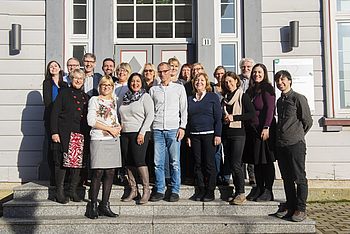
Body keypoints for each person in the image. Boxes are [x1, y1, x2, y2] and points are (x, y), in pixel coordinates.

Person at [273, 70, 313, 222]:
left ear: (289, 81)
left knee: (299, 177)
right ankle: (291, 206)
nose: (280, 83)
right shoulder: (280, 101)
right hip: (281, 145)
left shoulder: (298, 98)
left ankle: (301, 209)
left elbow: (307, 121)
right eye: (278, 80)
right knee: (286, 178)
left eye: (283, 80)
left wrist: (296, 134)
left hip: (295, 144)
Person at [149, 62, 187, 202]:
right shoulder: (153, 90)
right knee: (158, 162)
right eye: (160, 72)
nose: (162, 74)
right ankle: (160, 189)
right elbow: (151, 111)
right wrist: (151, 129)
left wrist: (182, 127)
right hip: (158, 129)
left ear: (170, 71)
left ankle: (175, 189)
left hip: (173, 129)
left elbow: (183, 109)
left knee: (174, 161)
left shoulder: (178, 88)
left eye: (165, 71)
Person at [50, 68, 89, 204]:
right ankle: (59, 191)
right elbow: (54, 113)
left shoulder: (86, 97)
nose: (78, 81)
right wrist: (54, 132)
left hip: (80, 134)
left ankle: (72, 190)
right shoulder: (63, 93)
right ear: (71, 79)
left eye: (81, 78)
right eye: (76, 78)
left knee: (77, 164)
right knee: (62, 162)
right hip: (64, 133)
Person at [85, 76, 122, 219]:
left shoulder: (113, 101)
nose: (106, 87)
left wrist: (117, 127)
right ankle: (93, 205)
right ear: (99, 86)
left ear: (112, 87)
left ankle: (105, 204)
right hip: (99, 138)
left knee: (110, 172)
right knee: (98, 172)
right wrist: (109, 129)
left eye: (109, 85)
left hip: (112, 139)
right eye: (103, 85)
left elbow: (114, 118)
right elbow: (91, 121)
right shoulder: (94, 100)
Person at [119, 73, 154, 204]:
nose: (135, 83)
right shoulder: (125, 97)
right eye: (132, 81)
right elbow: (120, 113)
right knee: (128, 162)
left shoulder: (145, 97)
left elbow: (150, 115)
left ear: (141, 82)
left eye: (138, 81)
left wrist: (142, 132)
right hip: (125, 133)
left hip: (139, 132)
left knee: (139, 161)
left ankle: (146, 190)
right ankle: (133, 190)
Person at [221, 71, 255, 205]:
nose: (228, 84)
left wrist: (234, 117)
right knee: (231, 163)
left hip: (238, 133)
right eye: (226, 82)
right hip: (227, 134)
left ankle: (241, 193)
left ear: (236, 81)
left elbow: (251, 114)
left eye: (230, 81)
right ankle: (236, 191)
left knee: (236, 164)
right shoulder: (225, 98)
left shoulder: (243, 96)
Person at [187, 72, 222, 202]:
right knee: (198, 164)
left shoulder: (212, 97)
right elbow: (188, 118)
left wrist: (218, 134)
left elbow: (218, 118)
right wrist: (189, 135)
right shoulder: (190, 98)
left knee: (209, 164)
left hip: (209, 135)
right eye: (197, 80)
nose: (199, 82)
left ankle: (210, 190)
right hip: (195, 135)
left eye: (202, 80)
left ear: (206, 82)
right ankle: (201, 189)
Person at [245, 63, 276, 202]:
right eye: (255, 72)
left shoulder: (267, 88)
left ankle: (268, 190)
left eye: (259, 72)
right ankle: (259, 187)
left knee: (266, 161)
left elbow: (270, 109)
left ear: (264, 74)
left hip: (264, 130)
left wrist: (267, 127)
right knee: (256, 162)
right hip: (253, 131)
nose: (256, 74)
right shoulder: (251, 90)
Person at [43, 61, 68, 186]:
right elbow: (48, 102)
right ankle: (53, 176)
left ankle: (64, 177)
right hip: (51, 119)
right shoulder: (47, 83)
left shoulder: (64, 84)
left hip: (63, 120)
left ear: (60, 69)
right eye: (50, 66)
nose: (53, 68)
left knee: (63, 148)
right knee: (52, 148)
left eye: (55, 66)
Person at [211, 65, 230, 186]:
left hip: (227, 123)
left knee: (228, 151)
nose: (219, 75)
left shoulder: (229, 87)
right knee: (217, 151)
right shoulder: (211, 88)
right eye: (217, 73)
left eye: (222, 73)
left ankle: (226, 176)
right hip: (215, 123)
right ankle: (217, 175)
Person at [238, 58, 256, 186]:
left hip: (251, 118)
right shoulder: (237, 80)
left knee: (251, 147)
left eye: (249, 67)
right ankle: (239, 175)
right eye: (243, 67)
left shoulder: (256, 80)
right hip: (239, 117)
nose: (246, 69)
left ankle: (252, 175)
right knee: (240, 148)